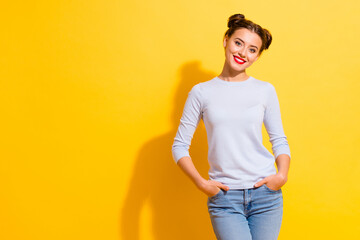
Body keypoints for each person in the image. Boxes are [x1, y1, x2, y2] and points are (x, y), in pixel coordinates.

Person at [171, 13, 291, 240]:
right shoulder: (201, 92)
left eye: (252, 49)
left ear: (257, 56)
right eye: (238, 43)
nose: (243, 53)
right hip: (225, 199)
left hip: (266, 197)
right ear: (226, 40)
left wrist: (281, 175)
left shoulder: (265, 90)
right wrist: (202, 184)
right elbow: (179, 146)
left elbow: (279, 140)